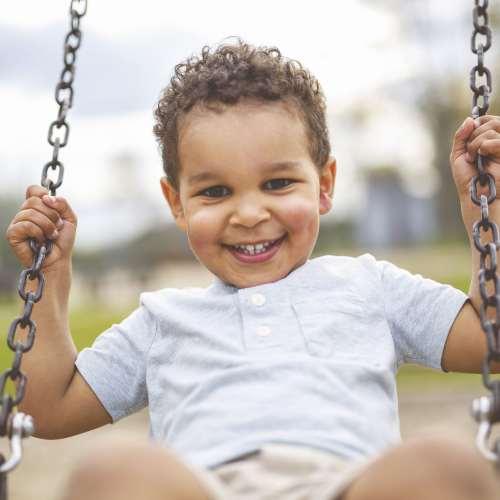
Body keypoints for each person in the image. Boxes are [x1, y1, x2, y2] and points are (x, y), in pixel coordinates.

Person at [5, 39, 500, 500]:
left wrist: (488, 214)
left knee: (446, 463)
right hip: (206, 489)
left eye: (278, 183)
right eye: (215, 192)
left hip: (348, 485)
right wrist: (49, 279)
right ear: (176, 203)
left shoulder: (370, 286)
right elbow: (46, 408)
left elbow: (489, 340)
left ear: (325, 184)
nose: (248, 214)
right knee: (110, 473)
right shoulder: (162, 320)